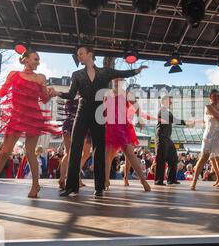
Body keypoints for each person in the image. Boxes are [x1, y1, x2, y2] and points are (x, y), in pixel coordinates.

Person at [50, 46, 147, 197]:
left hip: (98, 114)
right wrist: (57, 93)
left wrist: (137, 70)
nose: (79, 56)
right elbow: (70, 94)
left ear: (90, 54)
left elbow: (122, 73)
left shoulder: (105, 72)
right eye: (78, 54)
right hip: (82, 113)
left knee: (99, 150)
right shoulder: (77, 74)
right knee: (75, 149)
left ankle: (99, 187)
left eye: (81, 53)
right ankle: (71, 186)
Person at [0, 50, 60, 198]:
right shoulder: (13, 74)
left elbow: (45, 99)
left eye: (39, 60)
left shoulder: (40, 78)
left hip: (33, 117)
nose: (38, 62)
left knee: (30, 152)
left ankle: (35, 185)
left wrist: (51, 93)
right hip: (17, 117)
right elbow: (2, 93)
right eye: (35, 59)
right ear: (26, 59)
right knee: (4, 153)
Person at [104, 78, 151, 191]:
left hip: (122, 127)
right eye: (115, 79)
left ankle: (143, 180)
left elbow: (137, 107)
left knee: (130, 153)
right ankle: (106, 180)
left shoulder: (126, 94)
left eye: (119, 80)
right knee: (108, 155)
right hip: (110, 126)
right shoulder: (107, 93)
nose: (117, 81)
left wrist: (140, 119)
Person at [190, 89, 219, 191]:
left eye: (217, 96)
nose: (216, 97)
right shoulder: (208, 107)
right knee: (204, 157)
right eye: (214, 96)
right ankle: (194, 181)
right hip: (210, 135)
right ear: (210, 98)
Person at [155, 95, 192, 186]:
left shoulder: (167, 112)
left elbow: (172, 119)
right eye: (169, 101)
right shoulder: (162, 111)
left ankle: (171, 179)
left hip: (167, 138)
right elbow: (173, 120)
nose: (171, 103)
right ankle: (158, 180)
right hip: (162, 137)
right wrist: (185, 122)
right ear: (163, 102)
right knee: (161, 159)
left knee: (173, 158)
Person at [58, 97, 90, 189]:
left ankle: (62, 178)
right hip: (79, 125)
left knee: (68, 153)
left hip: (67, 125)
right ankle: (75, 177)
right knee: (84, 153)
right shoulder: (83, 97)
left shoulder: (69, 97)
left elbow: (67, 111)